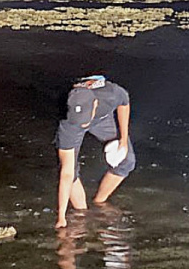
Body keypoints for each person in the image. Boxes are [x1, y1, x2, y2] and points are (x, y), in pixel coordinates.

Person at [54, 75, 135, 228]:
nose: (84, 124)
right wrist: (61, 217)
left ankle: (99, 202)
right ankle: (82, 214)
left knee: (127, 161)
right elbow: (66, 173)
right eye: (80, 119)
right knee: (70, 170)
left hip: (102, 120)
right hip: (74, 126)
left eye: (85, 119)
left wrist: (123, 138)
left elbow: (124, 102)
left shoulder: (110, 93)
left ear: (96, 103)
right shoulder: (69, 124)